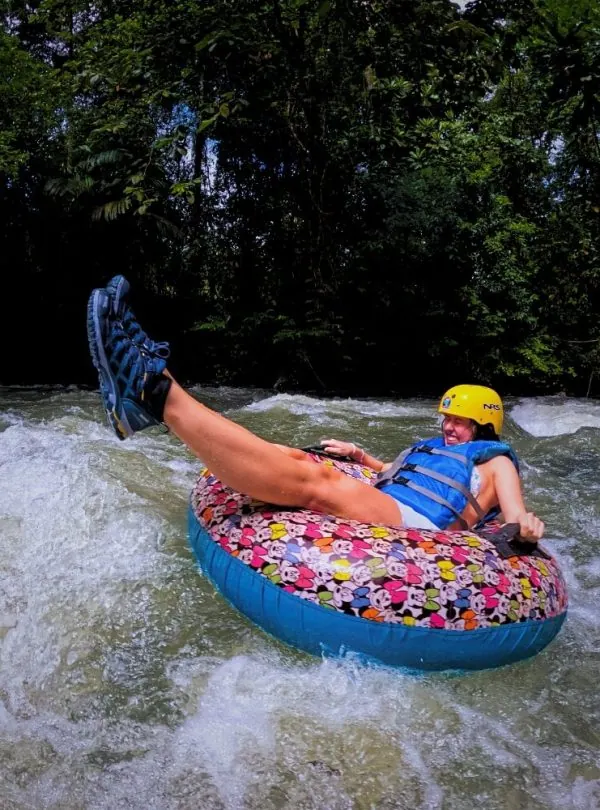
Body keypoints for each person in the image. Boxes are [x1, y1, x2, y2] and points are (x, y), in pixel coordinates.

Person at [87, 276, 544, 541]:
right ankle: (149, 386)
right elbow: (397, 472)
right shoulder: (435, 448)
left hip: (416, 527)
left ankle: (155, 392)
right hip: (390, 501)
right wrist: (361, 456)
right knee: (292, 455)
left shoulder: (498, 461)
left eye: (459, 423)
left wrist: (526, 528)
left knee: (318, 482)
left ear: (485, 426)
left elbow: (514, 515)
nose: (448, 428)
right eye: (446, 419)